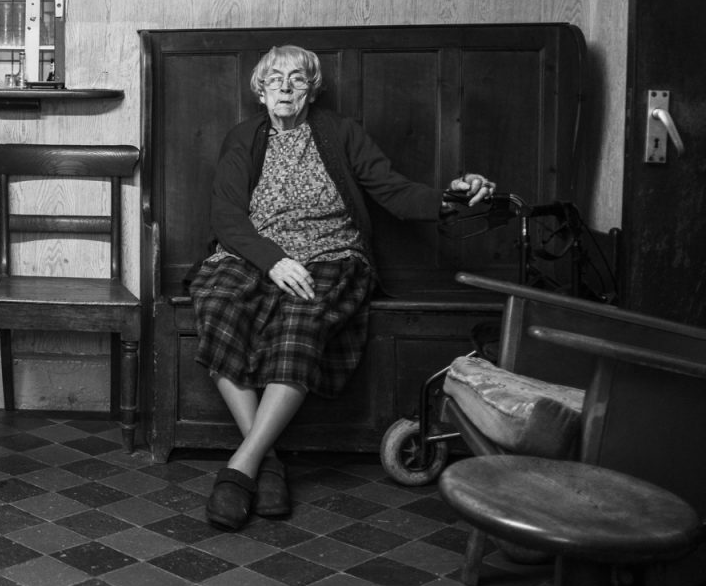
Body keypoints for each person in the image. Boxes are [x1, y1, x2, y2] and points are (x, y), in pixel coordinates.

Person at [187, 46, 495, 531]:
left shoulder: (341, 133)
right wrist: (273, 260)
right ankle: (266, 461)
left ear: (312, 90)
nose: (284, 86)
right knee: (219, 304)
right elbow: (226, 216)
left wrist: (450, 197)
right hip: (255, 251)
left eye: (296, 78)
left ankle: (242, 466)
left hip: (330, 251)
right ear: (260, 91)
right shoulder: (243, 137)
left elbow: (394, 191)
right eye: (274, 78)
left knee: (300, 322)